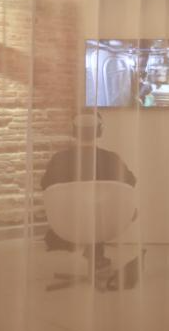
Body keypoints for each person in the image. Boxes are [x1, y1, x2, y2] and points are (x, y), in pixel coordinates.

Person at [41, 112, 136, 269]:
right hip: (106, 220)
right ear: (100, 131)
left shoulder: (60, 159)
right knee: (98, 208)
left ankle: (83, 248)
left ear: (73, 131)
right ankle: (95, 252)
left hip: (68, 219)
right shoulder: (111, 158)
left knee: (85, 208)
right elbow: (131, 181)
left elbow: (44, 184)